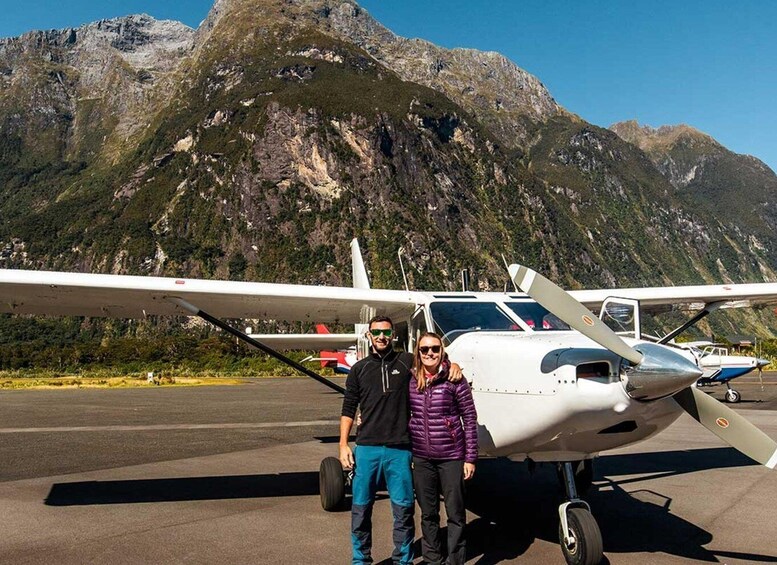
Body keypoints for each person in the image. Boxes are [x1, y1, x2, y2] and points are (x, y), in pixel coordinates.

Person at [340, 316, 461, 565]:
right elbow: (349, 408)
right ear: (369, 335)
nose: (382, 337)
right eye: (377, 332)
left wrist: (453, 364)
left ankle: (403, 560)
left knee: (404, 510)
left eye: (386, 332)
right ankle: (360, 560)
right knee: (361, 510)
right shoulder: (358, 369)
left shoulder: (406, 362)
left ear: (393, 335)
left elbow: (432, 362)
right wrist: (343, 444)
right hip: (366, 448)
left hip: (401, 449)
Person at [408, 332, 478, 565]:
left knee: (455, 513)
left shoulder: (455, 379)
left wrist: (470, 458)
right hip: (422, 457)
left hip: (451, 456)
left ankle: (455, 560)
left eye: (435, 349)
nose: (430, 353)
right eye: (425, 349)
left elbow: (469, 418)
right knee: (428, 514)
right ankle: (432, 560)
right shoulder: (411, 379)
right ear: (418, 352)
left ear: (442, 351)